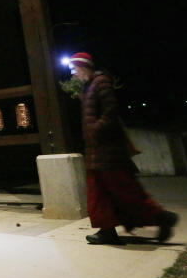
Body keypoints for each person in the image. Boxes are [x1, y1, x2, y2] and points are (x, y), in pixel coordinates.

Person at [68, 52, 178, 245]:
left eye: (75, 69)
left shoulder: (101, 82)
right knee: (99, 193)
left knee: (125, 191)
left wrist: (95, 130)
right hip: (97, 151)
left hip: (109, 152)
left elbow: (110, 112)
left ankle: (162, 218)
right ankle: (107, 231)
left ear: (84, 66)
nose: (74, 73)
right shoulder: (90, 86)